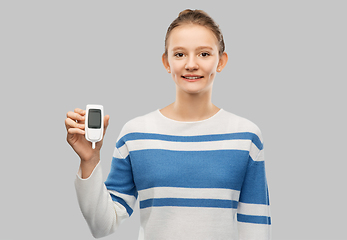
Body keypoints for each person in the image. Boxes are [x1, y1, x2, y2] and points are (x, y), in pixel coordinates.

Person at [65, 9, 271, 240]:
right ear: (166, 62)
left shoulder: (246, 136)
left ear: (221, 61)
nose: (191, 64)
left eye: (204, 54)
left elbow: (256, 226)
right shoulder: (136, 135)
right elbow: (103, 226)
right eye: (180, 54)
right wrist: (89, 160)